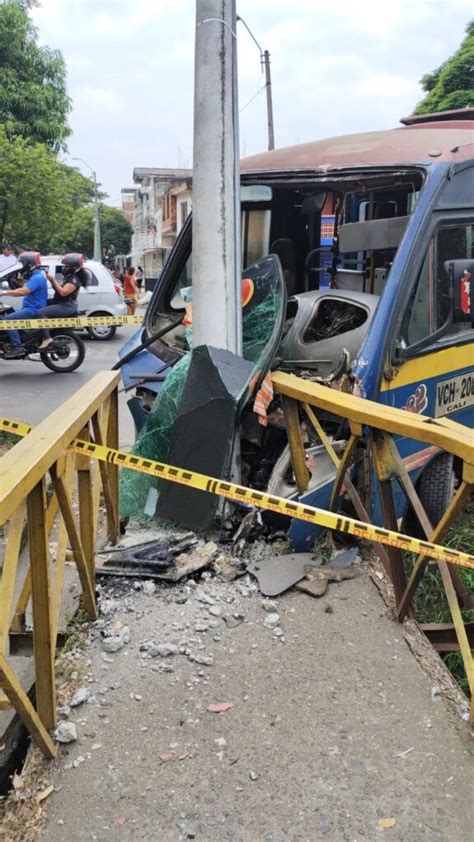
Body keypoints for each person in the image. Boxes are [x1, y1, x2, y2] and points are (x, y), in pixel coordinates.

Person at [0, 252, 48, 358]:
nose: (22, 267)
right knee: (8, 310)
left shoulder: (37, 278)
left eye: (23, 264)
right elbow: (23, 289)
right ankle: (18, 338)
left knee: (8, 320)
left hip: (33, 309)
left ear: (29, 265)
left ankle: (17, 347)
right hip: (30, 307)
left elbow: (23, 292)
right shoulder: (35, 276)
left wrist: (3, 292)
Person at [35, 253, 86, 350]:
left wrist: (53, 280)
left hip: (66, 306)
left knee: (41, 312)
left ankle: (47, 338)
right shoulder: (68, 278)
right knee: (38, 306)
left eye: (66, 266)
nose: (64, 268)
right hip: (59, 303)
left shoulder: (74, 280)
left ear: (73, 267)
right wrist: (49, 279)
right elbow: (57, 289)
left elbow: (63, 293)